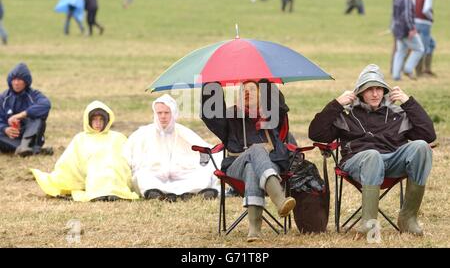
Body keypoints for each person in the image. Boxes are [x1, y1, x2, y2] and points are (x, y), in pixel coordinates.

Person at [309, 64, 436, 237]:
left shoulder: (398, 113)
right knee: (372, 155)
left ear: (385, 90)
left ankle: (408, 217)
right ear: (360, 91)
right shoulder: (347, 115)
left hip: (391, 162)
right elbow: (316, 133)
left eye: (379, 89)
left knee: (421, 146)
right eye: (370, 89)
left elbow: (428, 135)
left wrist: (409, 103)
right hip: (357, 162)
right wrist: (336, 104)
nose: (375, 94)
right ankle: (370, 224)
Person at [201, 81, 296, 242]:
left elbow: (280, 105)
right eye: (243, 89)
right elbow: (210, 114)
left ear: (261, 94)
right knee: (256, 149)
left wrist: (264, 79)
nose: (247, 92)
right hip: (235, 165)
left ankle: (254, 230)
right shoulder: (230, 117)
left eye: (252, 89)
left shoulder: (270, 115)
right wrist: (212, 81)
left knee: (253, 167)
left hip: (269, 163)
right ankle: (279, 198)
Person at [31, 101, 139, 202]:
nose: (98, 123)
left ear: (107, 121)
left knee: (111, 167)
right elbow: (69, 162)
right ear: (88, 120)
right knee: (97, 167)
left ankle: (114, 192)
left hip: (114, 172)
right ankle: (100, 193)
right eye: (95, 120)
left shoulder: (117, 137)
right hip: (93, 171)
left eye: (101, 120)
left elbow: (127, 159)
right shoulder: (80, 138)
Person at [123, 94, 220, 202]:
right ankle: (155, 193)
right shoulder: (143, 134)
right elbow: (128, 155)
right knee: (142, 176)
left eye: (166, 113)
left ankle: (190, 193)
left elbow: (204, 150)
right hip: (155, 174)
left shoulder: (184, 132)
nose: (163, 116)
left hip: (183, 174)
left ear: (173, 113)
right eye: (159, 113)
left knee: (202, 175)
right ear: (155, 114)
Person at [0, 63, 52, 156]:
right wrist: (5, 129)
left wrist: (21, 115)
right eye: (14, 79)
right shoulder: (3, 98)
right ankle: (33, 150)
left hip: (32, 136)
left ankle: (26, 146)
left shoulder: (34, 95)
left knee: (38, 118)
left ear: (26, 82)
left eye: (19, 80)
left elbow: (46, 105)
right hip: (11, 138)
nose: (16, 83)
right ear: (10, 81)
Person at [391, 0, 424, 80]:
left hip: (397, 29)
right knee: (419, 49)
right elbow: (407, 16)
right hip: (405, 30)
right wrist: (411, 28)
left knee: (400, 51)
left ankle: (396, 75)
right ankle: (408, 69)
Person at [415, 0, 438, 77]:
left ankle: (427, 69)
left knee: (431, 44)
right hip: (424, 23)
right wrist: (431, 18)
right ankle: (420, 72)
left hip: (416, 22)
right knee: (423, 47)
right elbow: (426, 9)